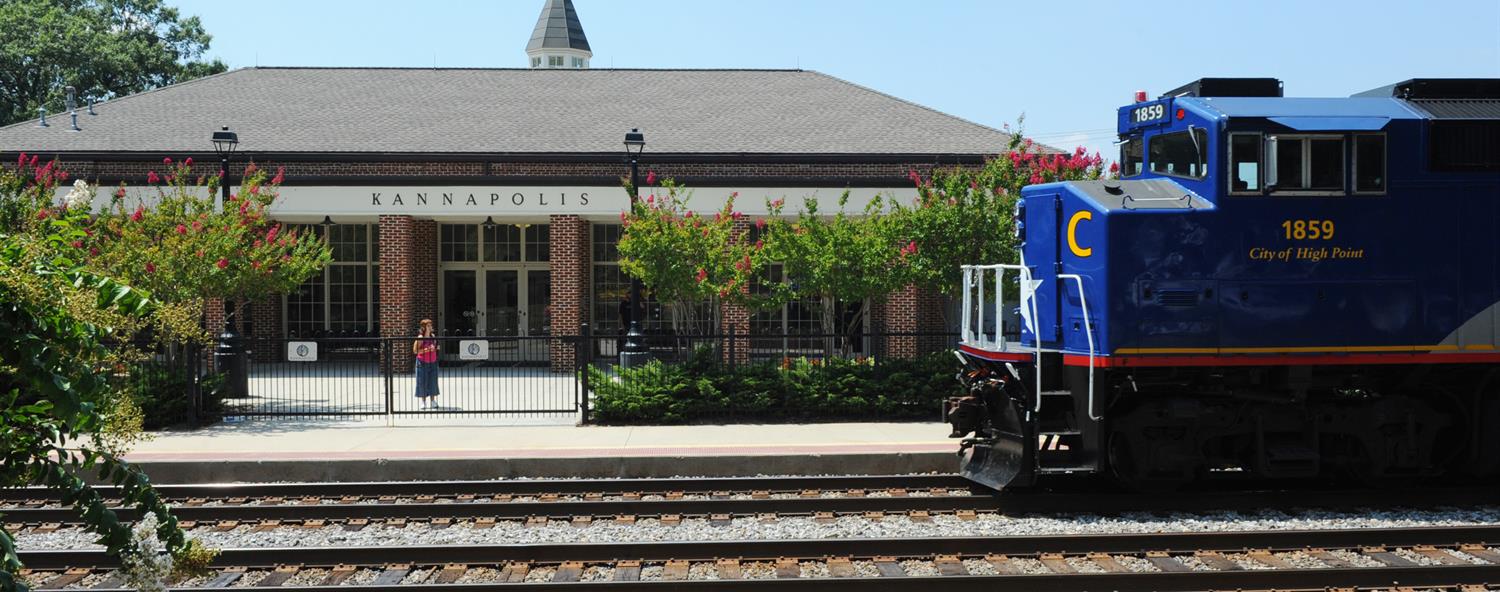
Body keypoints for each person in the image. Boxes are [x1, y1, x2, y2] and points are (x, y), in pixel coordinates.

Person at [413, 319, 440, 409]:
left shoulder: (433, 336)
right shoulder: (421, 338)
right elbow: (415, 351)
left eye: (430, 325)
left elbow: (435, 347)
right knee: (422, 382)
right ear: (424, 327)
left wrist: (436, 348)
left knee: (433, 382)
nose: (430, 327)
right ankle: (423, 402)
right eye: (428, 326)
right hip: (422, 362)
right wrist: (427, 349)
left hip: (433, 362)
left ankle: (433, 401)